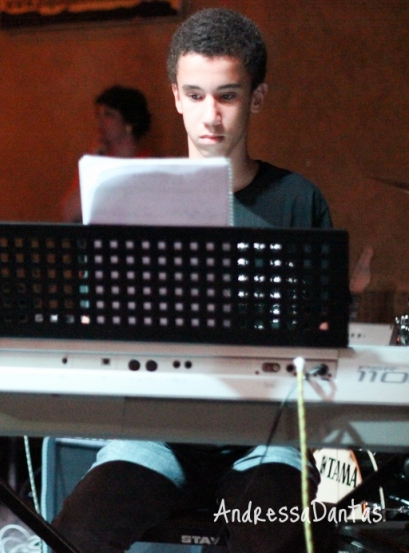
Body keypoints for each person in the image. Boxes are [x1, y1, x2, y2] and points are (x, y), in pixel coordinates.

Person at [52, 9, 335, 553]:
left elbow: (322, 344)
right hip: (156, 432)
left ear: (256, 98)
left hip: (264, 437)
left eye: (227, 96)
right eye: (196, 95)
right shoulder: (131, 194)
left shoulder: (297, 200)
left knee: (278, 537)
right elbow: (95, 324)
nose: (211, 115)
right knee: (77, 530)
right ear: (176, 96)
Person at [61, 85, 153, 222]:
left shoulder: (148, 164)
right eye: (98, 115)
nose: (100, 121)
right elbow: (70, 215)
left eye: (109, 115)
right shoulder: (96, 164)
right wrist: (94, 164)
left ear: (129, 122)